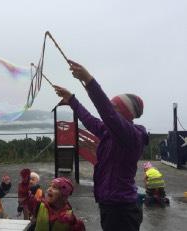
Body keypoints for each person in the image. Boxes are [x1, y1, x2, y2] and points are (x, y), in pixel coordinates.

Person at [54, 60, 148, 231]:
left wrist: (89, 81)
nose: (109, 111)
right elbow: (90, 120)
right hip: (109, 205)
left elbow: (106, 111)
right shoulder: (110, 132)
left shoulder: (132, 136)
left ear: (124, 113)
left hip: (122, 210)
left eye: (114, 107)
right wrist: (71, 100)